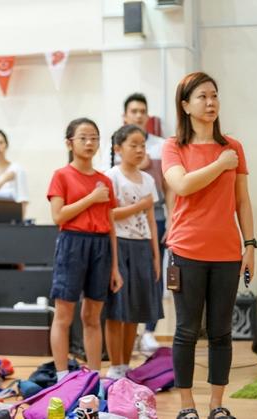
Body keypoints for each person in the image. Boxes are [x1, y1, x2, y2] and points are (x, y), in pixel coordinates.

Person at [162, 72, 255, 419]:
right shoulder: (174, 147)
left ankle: (218, 405)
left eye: (214, 95)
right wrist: (219, 164)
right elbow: (182, 186)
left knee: (221, 332)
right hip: (186, 251)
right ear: (185, 105)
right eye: (202, 97)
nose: (211, 102)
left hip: (228, 253)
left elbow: (242, 202)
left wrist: (250, 245)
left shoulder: (234, 147)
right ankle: (187, 406)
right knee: (186, 331)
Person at [47, 118, 122, 382]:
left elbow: (111, 225)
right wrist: (91, 198)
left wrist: (114, 267)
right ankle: (62, 376)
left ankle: (94, 378)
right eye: (83, 138)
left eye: (94, 138)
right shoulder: (61, 175)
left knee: (92, 316)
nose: (90, 143)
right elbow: (58, 216)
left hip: (101, 246)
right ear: (70, 142)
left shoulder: (104, 180)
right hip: (72, 243)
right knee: (64, 314)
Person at [104, 124, 163, 379]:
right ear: (119, 148)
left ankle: (125, 366)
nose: (140, 150)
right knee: (117, 311)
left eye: (143, 145)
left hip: (142, 247)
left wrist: (156, 255)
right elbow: (110, 214)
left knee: (134, 311)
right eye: (133, 145)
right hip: (119, 244)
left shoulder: (149, 179)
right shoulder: (112, 176)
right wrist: (140, 204)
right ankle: (114, 365)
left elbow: (151, 219)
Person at [121, 92, 174, 352]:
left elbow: (169, 187)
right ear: (125, 116)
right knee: (127, 277)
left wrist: (172, 220)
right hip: (122, 223)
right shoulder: (116, 146)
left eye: (143, 111)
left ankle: (149, 331)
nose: (139, 115)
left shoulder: (161, 145)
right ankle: (127, 332)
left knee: (155, 272)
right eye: (134, 111)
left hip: (157, 216)